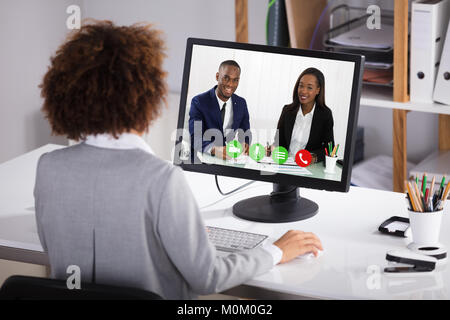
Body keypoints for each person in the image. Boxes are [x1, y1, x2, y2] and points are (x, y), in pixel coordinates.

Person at [35, 21, 323, 300]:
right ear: (147, 97)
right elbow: (207, 276)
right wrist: (276, 251)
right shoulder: (161, 179)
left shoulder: (49, 168)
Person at [269, 68, 334, 163]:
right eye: (301, 86)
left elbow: (329, 148)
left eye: (309, 87)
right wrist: (274, 148)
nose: (303, 91)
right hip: (285, 164)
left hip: (307, 167)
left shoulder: (325, 115)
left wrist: (313, 158)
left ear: (318, 90)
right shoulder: (287, 111)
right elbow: (278, 142)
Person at [188, 60, 250, 161]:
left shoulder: (241, 103)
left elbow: (245, 132)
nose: (230, 84)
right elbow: (196, 137)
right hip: (201, 158)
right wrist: (213, 149)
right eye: (226, 78)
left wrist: (244, 144)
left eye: (235, 80)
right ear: (217, 76)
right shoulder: (199, 101)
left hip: (227, 159)